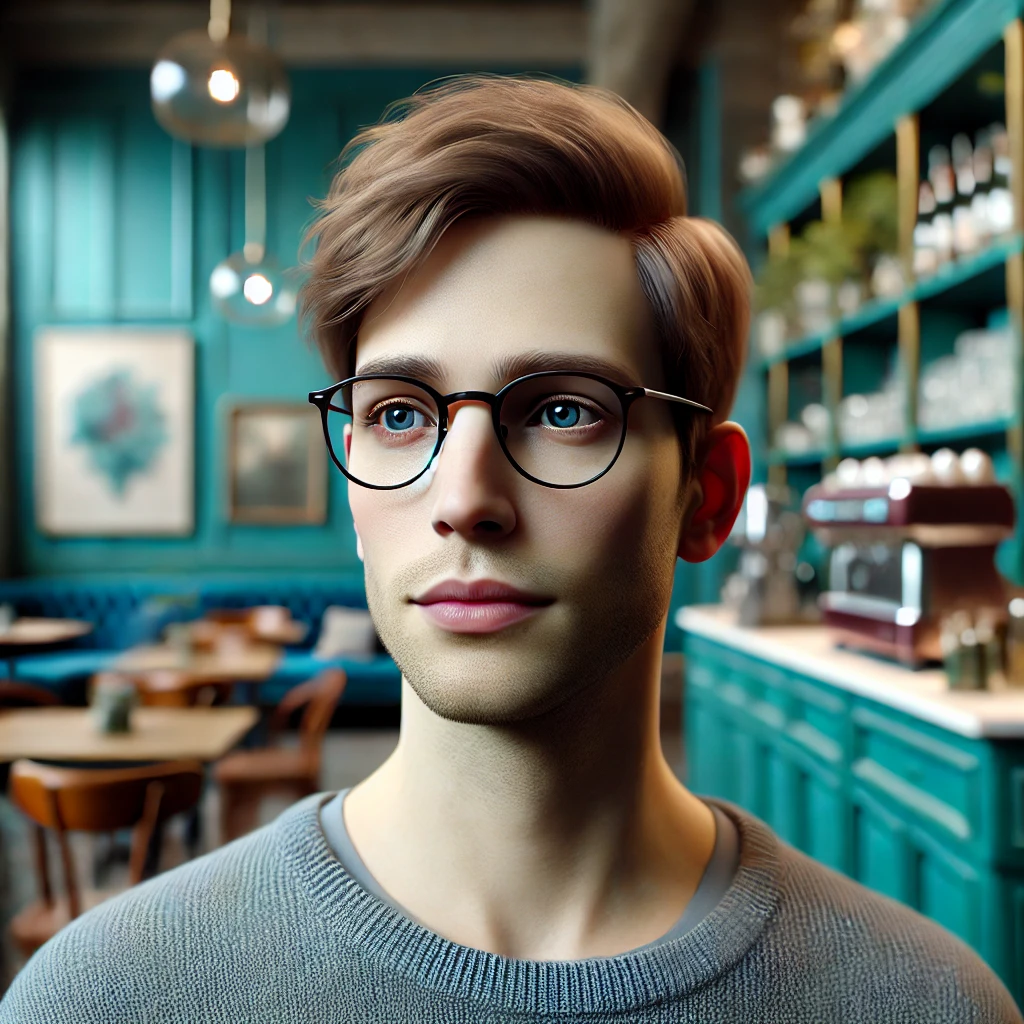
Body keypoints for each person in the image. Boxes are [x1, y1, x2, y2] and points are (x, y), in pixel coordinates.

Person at [1, 74, 1020, 1024]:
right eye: (400, 415)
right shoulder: (106, 999)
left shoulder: (919, 1003)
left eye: (564, 410)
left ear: (705, 497)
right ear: (352, 484)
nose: (466, 498)